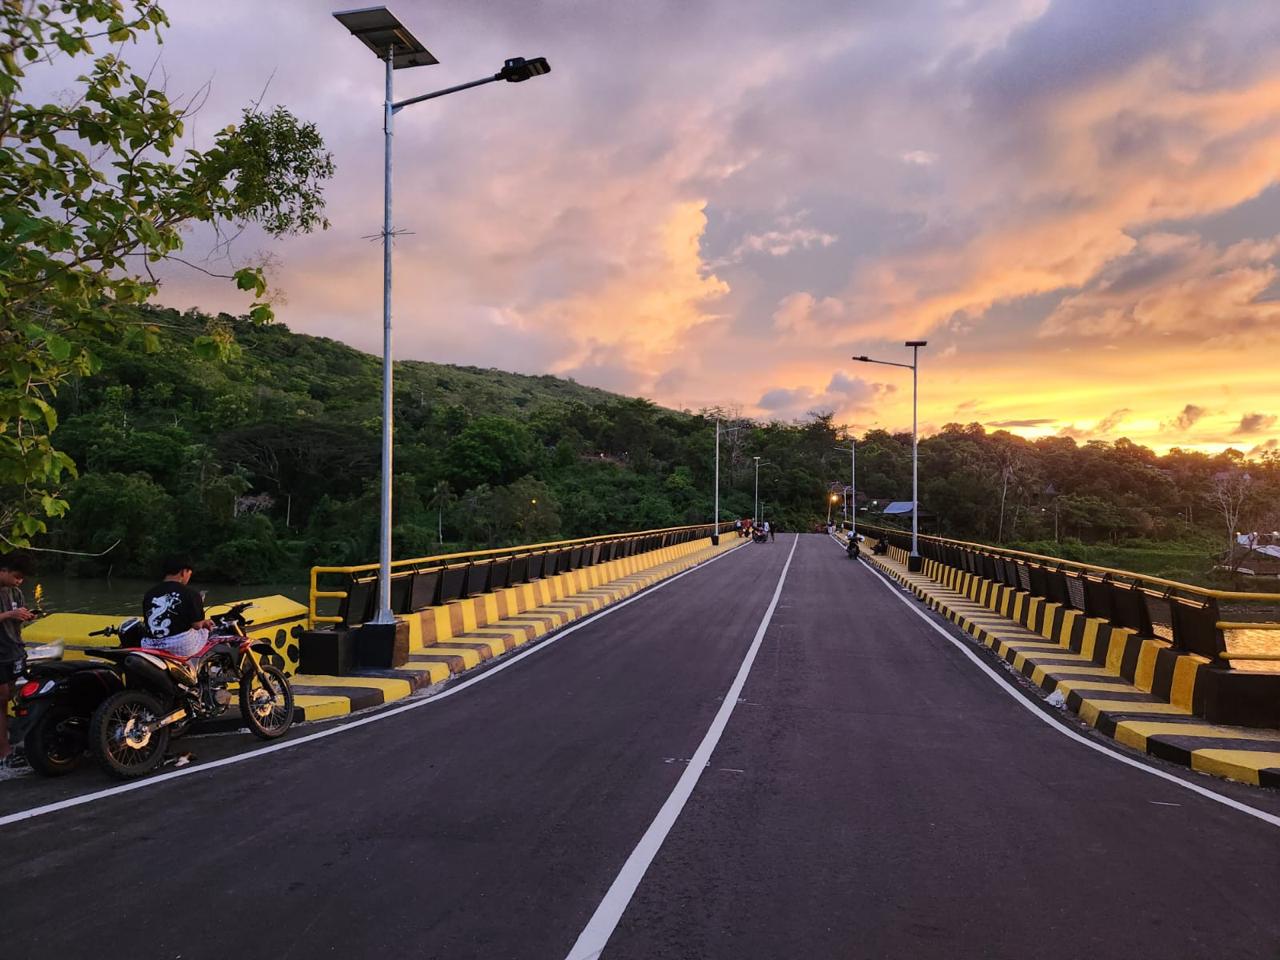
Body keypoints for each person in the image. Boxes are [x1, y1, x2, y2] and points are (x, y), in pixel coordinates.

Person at [0, 551, 37, 775]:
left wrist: (26, 615)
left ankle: (10, 744)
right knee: (1, 700)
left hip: (14, 650)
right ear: (3, 570)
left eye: (22, 578)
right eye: (16, 576)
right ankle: (3, 751)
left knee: (10, 696)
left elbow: (16, 619)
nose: (19, 581)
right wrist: (8, 614)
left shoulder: (16, 592)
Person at [143, 555, 215, 658]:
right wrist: (205, 622)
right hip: (180, 645)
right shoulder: (191, 593)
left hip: (150, 645)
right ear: (183, 572)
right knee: (204, 630)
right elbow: (197, 625)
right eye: (189, 574)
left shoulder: (149, 594)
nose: (189, 577)